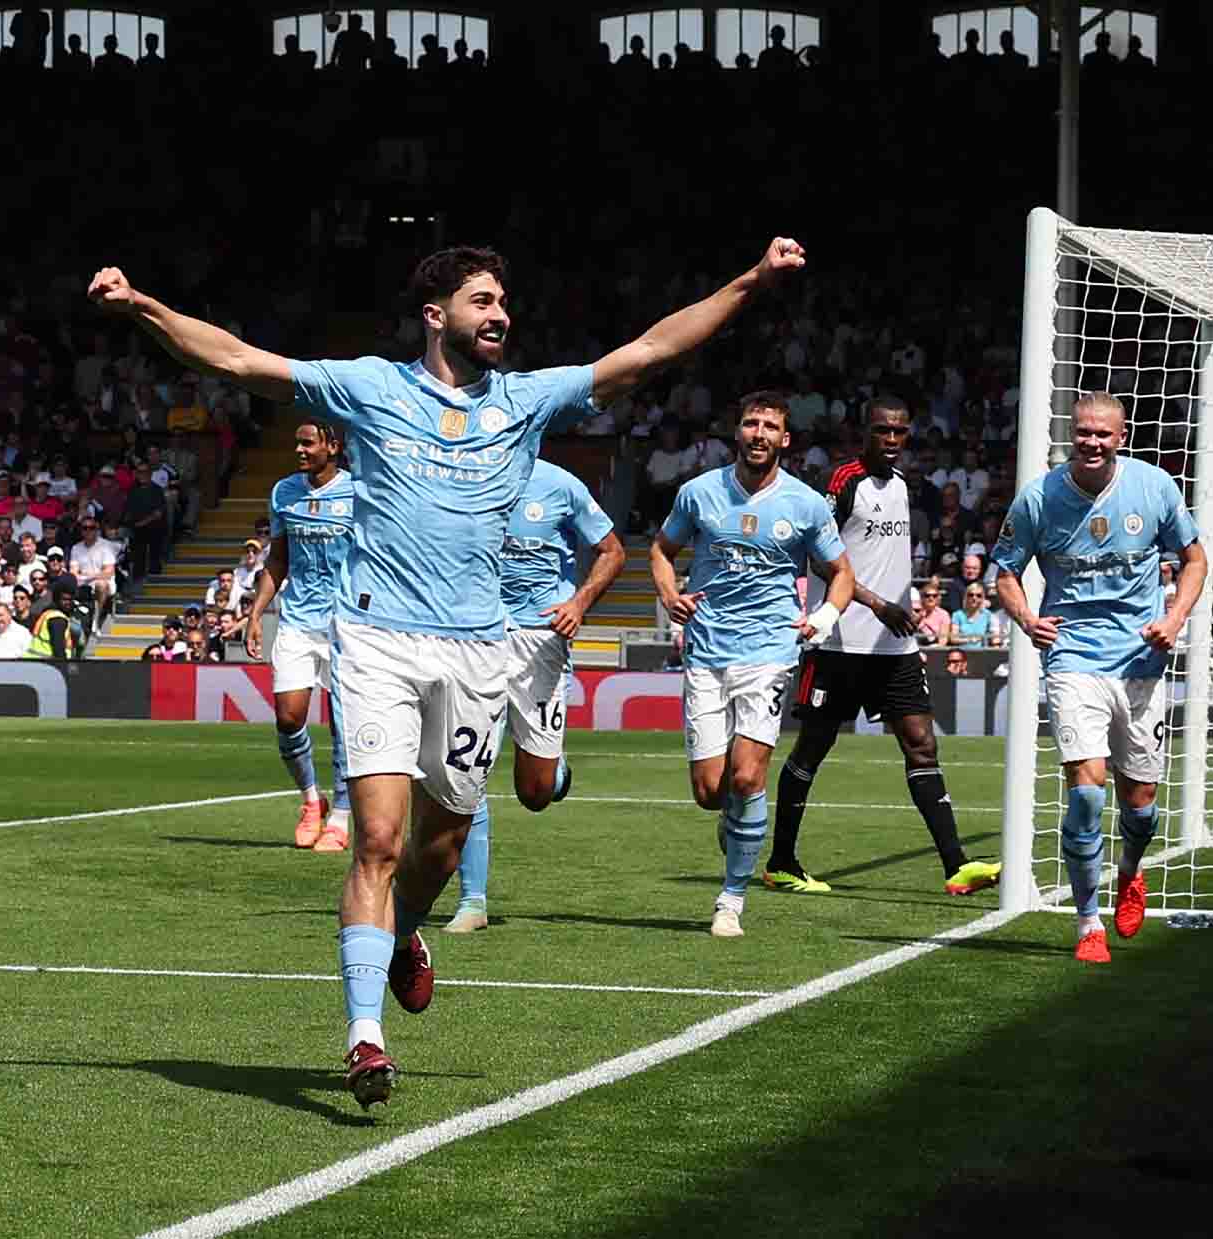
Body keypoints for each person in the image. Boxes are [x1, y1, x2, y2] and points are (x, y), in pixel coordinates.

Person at [91, 233, 806, 1108]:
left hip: (480, 650)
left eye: (504, 302)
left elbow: (650, 349)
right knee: (380, 839)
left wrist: (752, 280)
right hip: (379, 641)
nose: (500, 314)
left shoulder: (527, 401)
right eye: (482, 301)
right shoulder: (369, 387)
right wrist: (144, 307)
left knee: (443, 841)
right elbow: (240, 358)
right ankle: (364, 1037)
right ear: (436, 316)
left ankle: (402, 937)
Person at [992, 392, 1206, 964]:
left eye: (1102, 435)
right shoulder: (1038, 499)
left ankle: (1130, 874)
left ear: (1121, 437)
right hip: (1073, 658)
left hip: (1141, 662)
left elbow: (1194, 560)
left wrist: (1175, 618)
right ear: (1072, 433)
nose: (1091, 442)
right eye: (1083, 432)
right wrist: (1027, 619)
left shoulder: (1154, 487)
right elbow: (1005, 574)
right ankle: (1088, 922)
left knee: (1141, 806)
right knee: (1086, 796)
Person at [768, 398, 1000, 899]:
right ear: (865, 433)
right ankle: (781, 861)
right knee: (813, 747)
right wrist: (873, 603)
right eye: (882, 431)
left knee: (921, 742)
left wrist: (902, 605)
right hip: (839, 643)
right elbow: (818, 555)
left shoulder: (901, 486)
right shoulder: (843, 481)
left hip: (893, 645)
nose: (891, 440)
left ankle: (956, 864)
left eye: (899, 432)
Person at [649, 391, 853, 939]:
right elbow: (662, 550)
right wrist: (670, 595)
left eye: (770, 427)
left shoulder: (806, 504)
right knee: (711, 791)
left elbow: (842, 573)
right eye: (750, 424)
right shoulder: (699, 494)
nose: (759, 433)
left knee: (747, 775)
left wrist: (825, 618)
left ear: (785, 440)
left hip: (768, 653)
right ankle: (735, 824)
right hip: (707, 651)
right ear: (735, 432)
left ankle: (731, 899)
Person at [444, 457, 625, 933]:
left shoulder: (561, 484)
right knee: (469, 769)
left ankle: (555, 772)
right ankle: (472, 902)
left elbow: (613, 552)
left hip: (539, 642)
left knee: (536, 793)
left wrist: (578, 604)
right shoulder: (463, 478)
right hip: (476, 639)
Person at [241, 419, 356, 852]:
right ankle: (312, 800)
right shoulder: (283, 492)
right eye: (296, 443)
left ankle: (342, 819)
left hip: (347, 625)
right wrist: (256, 613)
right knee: (289, 717)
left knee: (346, 728)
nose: (300, 450)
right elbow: (278, 559)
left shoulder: (358, 494)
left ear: (332, 445)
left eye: (308, 443)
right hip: (297, 620)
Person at [948, 581, 993, 646]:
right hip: (963, 652)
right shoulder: (957, 615)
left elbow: (992, 634)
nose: (974, 598)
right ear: (966, 597)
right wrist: (969, 640)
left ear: (982, 598)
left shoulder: (988, 614)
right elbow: (953, 638)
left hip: (982, 652)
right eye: (971, 595)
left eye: (978, 596)